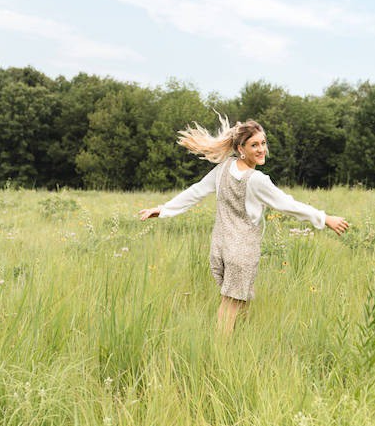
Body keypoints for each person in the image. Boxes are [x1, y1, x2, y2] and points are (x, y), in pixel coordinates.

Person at [139, 115, 349, 335]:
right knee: (230, 307)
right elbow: (288, 204)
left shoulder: (223, 169)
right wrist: (324, 218)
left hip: (220, 249)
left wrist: (164, 209)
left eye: (263, 143)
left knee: (241, 300)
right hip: (241, 253)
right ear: (241, 148)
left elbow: (196, 191)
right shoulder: (256, 180)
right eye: (254, 145)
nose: (261, 150)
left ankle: (242, 341)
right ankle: (220, 354)